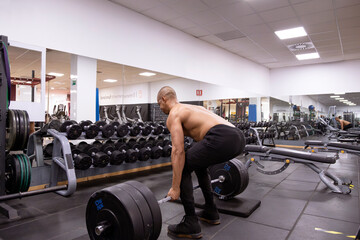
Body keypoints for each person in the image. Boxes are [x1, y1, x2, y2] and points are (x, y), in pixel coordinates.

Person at [157, 86, 245, 239]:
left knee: (182, 165)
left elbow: (178, 151)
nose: (160, 107)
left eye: (159, 104)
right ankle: (211, 211)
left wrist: (175, 187)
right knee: (198, 163)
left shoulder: (174, 113)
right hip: (238, 137)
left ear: (163, 99)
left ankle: (190, 222)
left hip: (221, 137)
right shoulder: (193, 108)